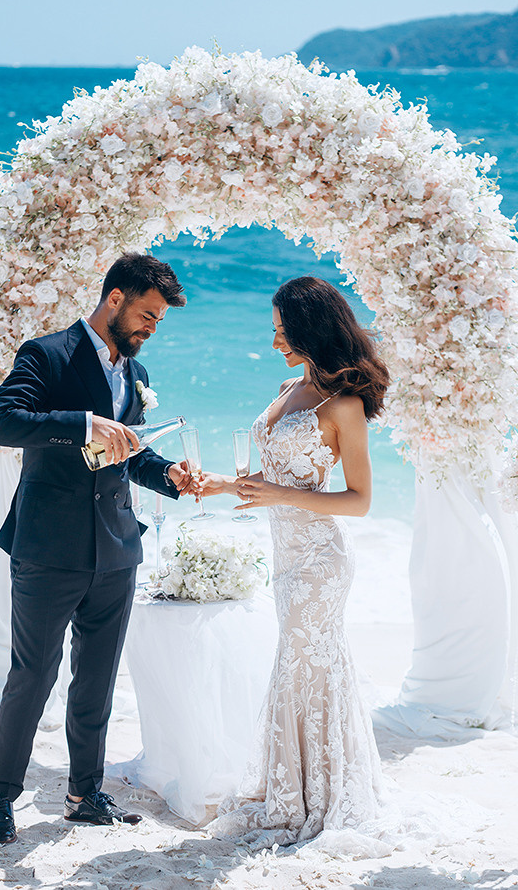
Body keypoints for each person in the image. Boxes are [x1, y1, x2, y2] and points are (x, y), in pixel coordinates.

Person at [0, 253, 194, 845]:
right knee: (32, 676)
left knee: (96, 680)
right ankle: (2, 800)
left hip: (117, 548)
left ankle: (84, 794)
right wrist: (82, 424)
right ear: (116, 297)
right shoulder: (45, 354)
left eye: (159, 320)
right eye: (147, 314)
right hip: (47, 548)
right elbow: (3, 423)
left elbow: (130, 453)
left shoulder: (138, 375)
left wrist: (172, 476)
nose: (151, 327)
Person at [200, 275, 390, 848]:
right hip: (285, 555)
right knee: (300, 668)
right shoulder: (288, 388)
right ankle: (299, 788)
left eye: (285, 332)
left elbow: (359, 501)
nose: (277, 342)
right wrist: (219, 486)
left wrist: (279, 494)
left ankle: (318, 798)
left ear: (311, 330)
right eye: (275, 331)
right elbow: (274, 482)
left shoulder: (345, 405)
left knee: (308, 669)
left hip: (320, 560)